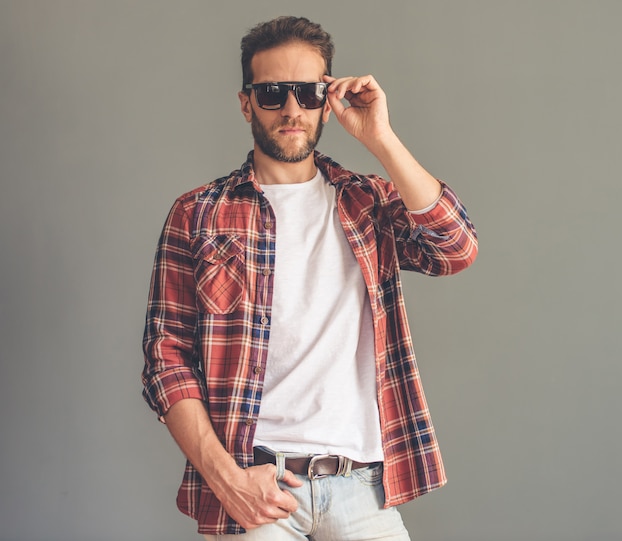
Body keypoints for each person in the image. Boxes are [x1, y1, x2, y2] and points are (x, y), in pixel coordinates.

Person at [142, 15, 478, 540]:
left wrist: (381, 137)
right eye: (273, 93)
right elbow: (166, 359)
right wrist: (225, 480)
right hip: (257, 483)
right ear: (246, 102)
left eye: (308, 91)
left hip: (363, 484)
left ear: (327, 98)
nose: (292, 109)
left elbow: (455, 248)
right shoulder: (198, 214)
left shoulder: (368, 203)